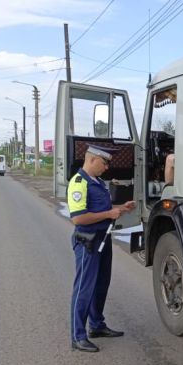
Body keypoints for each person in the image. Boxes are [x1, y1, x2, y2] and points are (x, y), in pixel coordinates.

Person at [67, 145, 136, 353]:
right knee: (84, 288)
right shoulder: (79, 183)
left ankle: (96, 325)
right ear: (92, 160)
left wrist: (121, 209)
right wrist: (108, 215)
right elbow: (78, 218)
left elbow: (105, 211)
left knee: (101, 284)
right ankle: (78, 336)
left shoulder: (98, 182)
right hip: (88, 241)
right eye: (104, 162)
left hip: (102, 240)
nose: (106, 167)